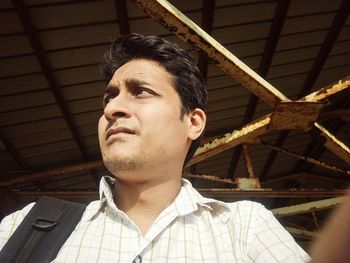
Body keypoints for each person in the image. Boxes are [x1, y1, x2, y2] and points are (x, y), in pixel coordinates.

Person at [0, 33, 310, 262]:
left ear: (194, 122)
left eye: (141, 92)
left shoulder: (244, 228)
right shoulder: (29, 226)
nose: (112, 109)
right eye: (109, 97)